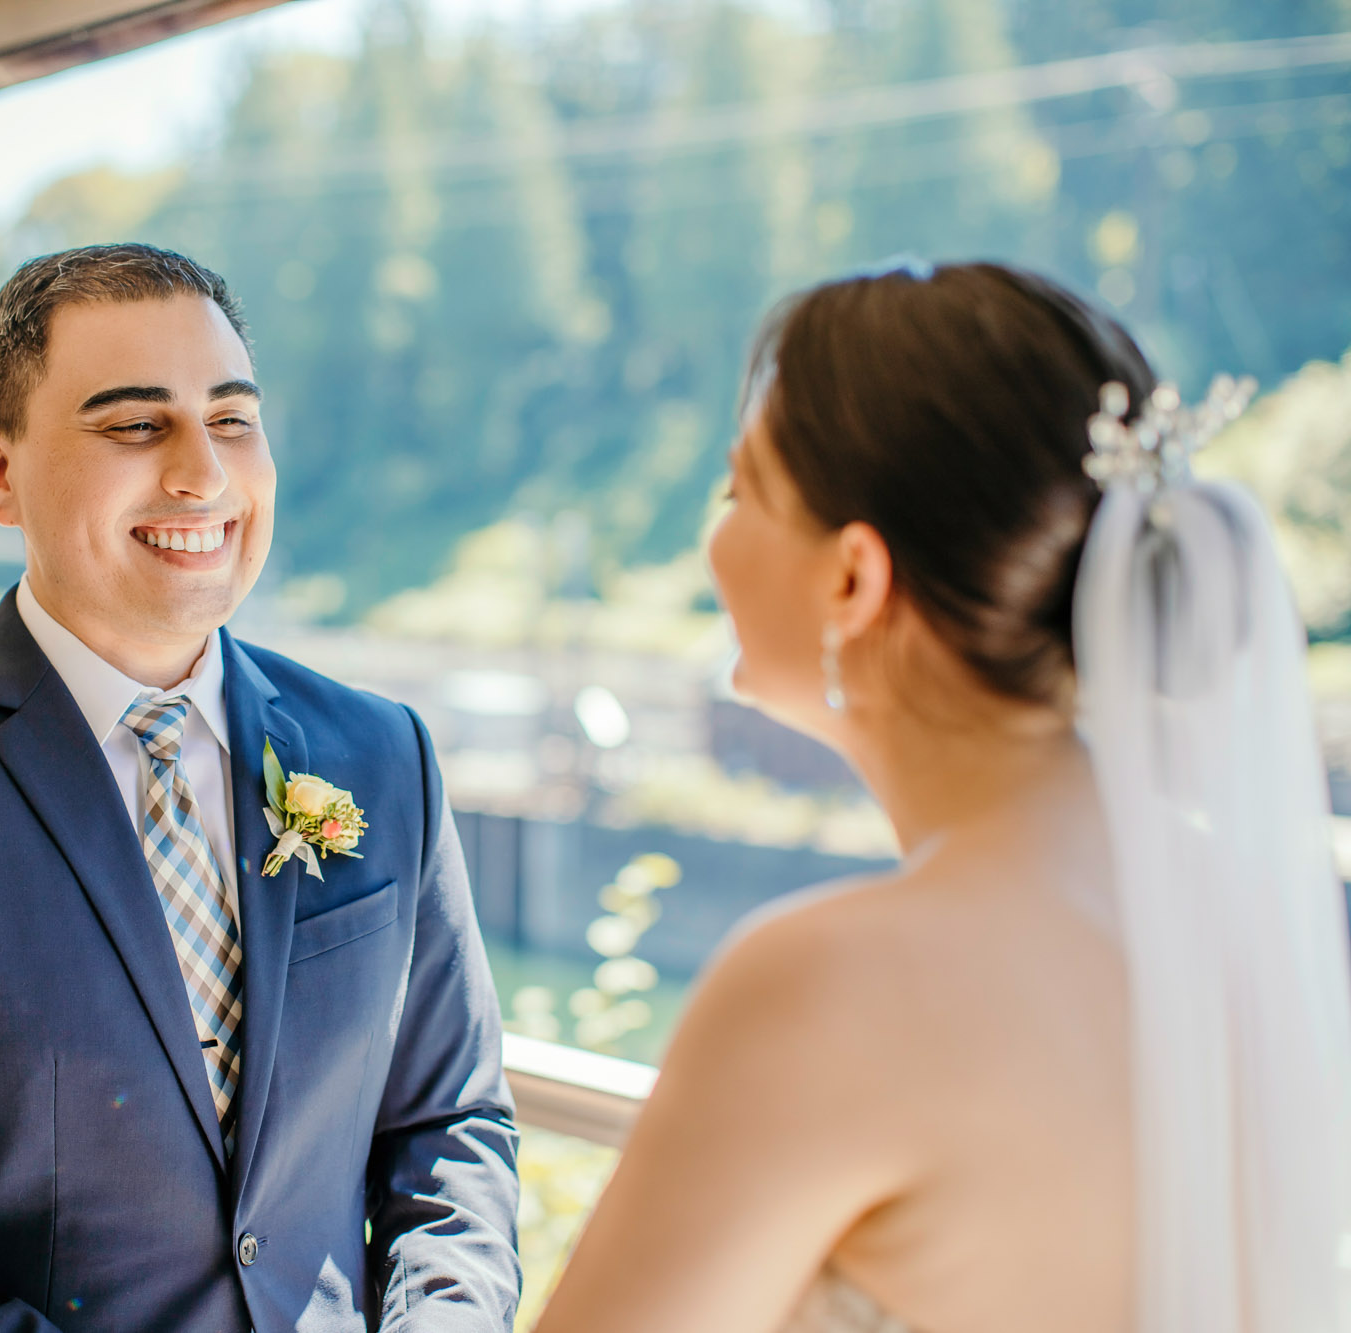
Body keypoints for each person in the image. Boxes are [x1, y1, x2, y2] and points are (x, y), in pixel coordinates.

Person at [0, 243, 521, 1332]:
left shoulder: (381, 754)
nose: (202, 474)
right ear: (0, 475)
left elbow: (448, 1123)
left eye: (230, 419)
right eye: (137, 425)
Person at [535, 261, 1351, 1333]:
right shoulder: (1250, 909)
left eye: (740, 493)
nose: (712, 542)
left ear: (851, 580)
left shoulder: (820, 987)